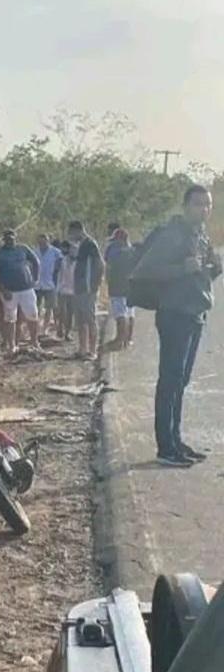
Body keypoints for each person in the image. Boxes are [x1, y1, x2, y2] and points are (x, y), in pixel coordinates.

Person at [131, 185, 222, 468]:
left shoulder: (200, 235)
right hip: (175, 315)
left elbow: (200, 274)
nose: (204, 210)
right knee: (170, 380)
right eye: (198, 205)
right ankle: (165, 447)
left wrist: (213, 268)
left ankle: (175, 440)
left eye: (208, 205)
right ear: (185, 206)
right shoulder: (172, 235)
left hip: (195, 313)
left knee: (180, 381)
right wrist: (184, 268)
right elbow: (145, 270)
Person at [0, 229, 41, 353]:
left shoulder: (23, 249)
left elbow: (36, 262)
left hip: (26, 288)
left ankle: (35, 342)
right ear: (3, 240)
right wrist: (2, 289)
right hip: (9, 291)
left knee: (32, 315)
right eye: (7, 239)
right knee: (10, 318)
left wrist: (36, 278)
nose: (9, 241)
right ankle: (11, 345)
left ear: (15, 238)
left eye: (11, 239)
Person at [68, 221, 104, 359]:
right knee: (80, 320)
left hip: (88, 289)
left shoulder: (90, 244)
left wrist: (95, 284)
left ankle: (93, 351)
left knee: (90, 318)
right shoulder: (79, 246)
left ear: (78, 230)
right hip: (78, 288)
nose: (71, 235)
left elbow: (99, 264)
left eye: (72, 232)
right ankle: (82, 349)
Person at [104, 228, 138, 350]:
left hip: (117, 286)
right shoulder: (133, 252)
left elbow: (108, 267)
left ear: (119, 239)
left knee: (120, 314)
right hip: (131, 287)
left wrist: (107, 281)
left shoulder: (115, 252)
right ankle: (128, 339)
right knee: (130, 313)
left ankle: (119, 339)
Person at [34, 233, 63, 335]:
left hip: (50, 283)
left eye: (44, 241)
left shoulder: (55, 252)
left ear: (48, 241)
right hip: (37, 283)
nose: (42, 243)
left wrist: (56, 271)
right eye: (40, 241)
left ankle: (45, 328)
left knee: (49, 307)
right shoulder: (35, 251)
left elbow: (61, 261)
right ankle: (36, 328)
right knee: (36, 307)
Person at [56, 239, 77, 341]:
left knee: (70, 313)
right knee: (62, 311)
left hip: (74, 291)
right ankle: (60, 327)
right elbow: (55, 273)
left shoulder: (78, 263)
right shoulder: (61, 260)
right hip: (62, 289)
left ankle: (67, 333)